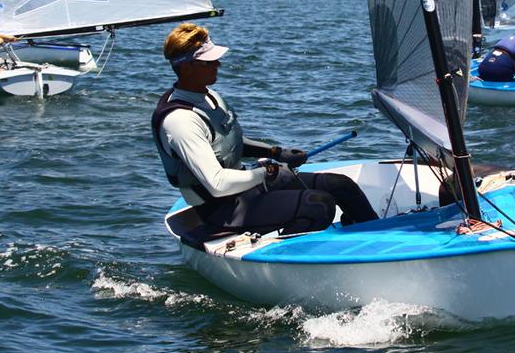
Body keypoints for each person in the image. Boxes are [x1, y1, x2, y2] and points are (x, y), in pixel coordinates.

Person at [152, 23, 378, 236]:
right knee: (319, 205)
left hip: (245, 187)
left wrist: (275, 153)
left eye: (216, 59)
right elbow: (218, 184)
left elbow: (227, 142)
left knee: (341, 185)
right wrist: (266, 174)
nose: (217, 64)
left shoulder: (208, 96)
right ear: (185, 67)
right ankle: (286, 264)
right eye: (208, 62)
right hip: (220, 209)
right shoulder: (181, 121)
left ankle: (376, 239)